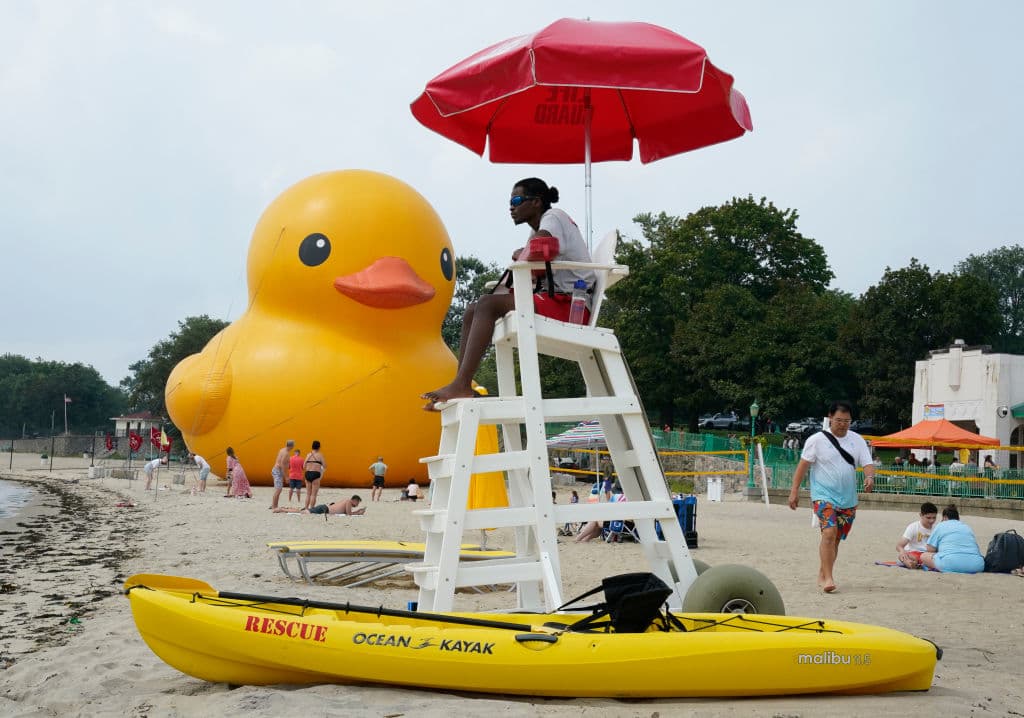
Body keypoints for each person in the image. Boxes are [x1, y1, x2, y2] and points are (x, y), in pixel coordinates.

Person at [421, 178, 594, 409]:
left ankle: (461, 384)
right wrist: (509, 274)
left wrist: (521, 252)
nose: (511, 207)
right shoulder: (538, 229)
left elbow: (540, 248)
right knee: (475, 308)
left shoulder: (553, 217)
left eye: (516, 200)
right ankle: (460, 383)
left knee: (488, 305)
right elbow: (530, 269)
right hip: (556, 300)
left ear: (536, 202)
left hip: (573, 306)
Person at [788, 401, 875, 593]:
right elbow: (803, 466)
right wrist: (794, 491)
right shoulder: (816, 440)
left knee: (835, 538)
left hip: (848, 498)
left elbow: (867, 462)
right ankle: (828, 578)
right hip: (823, 495)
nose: (842, 424)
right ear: (830, 418)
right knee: (828, 532)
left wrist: (869, 477)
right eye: (838, 420)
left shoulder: (857, 440)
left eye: (846, 421)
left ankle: (823, 572)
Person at [919, 504, 985, 573]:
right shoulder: (967, 527)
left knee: (924, 556)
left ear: (944, 517)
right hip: (977, 566)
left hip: (950, 564)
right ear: (958, 518)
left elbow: (930, 549)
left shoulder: (941, 525)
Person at [896, 501, 938, 568]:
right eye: (928, 518)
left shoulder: (937, 528)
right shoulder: (913, 527)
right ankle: (912, 564)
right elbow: (899, 546)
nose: (932, 521)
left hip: (929, 555)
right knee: (902, 556)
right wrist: (902, 552)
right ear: (921, 515)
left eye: (934, 518)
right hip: (914, 553)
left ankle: (917, 564)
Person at [273, 495, 365, 516]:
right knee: (303, 512)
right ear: (354, 500)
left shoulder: (346, 501)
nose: (357, 505)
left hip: (323, 508)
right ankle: (283, 509)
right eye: (357, 503)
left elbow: (345, 511)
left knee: (304, 511)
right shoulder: (348, 502)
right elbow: (349, 514)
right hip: (324, 509)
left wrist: (357, 511)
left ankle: (285, 508)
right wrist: (358, 512)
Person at [270, 439, 294, 510]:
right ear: (292, 446)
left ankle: (275, 505)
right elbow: (282, 464)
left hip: (276, 470)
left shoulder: (282, 450)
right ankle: (274, 506)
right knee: (278, 489)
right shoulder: (286, 453)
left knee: (278, 489)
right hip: (278, 471)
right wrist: (286, 476)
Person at [303, 440, 325, 510]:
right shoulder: (320, 455)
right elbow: (325, 465)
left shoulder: (308, 455)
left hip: (308, 473)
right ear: (319, 447)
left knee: (308, 494)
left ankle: (306, 508)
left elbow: (303, 466)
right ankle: (311, 508)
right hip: (315, 474)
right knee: (313, 494)